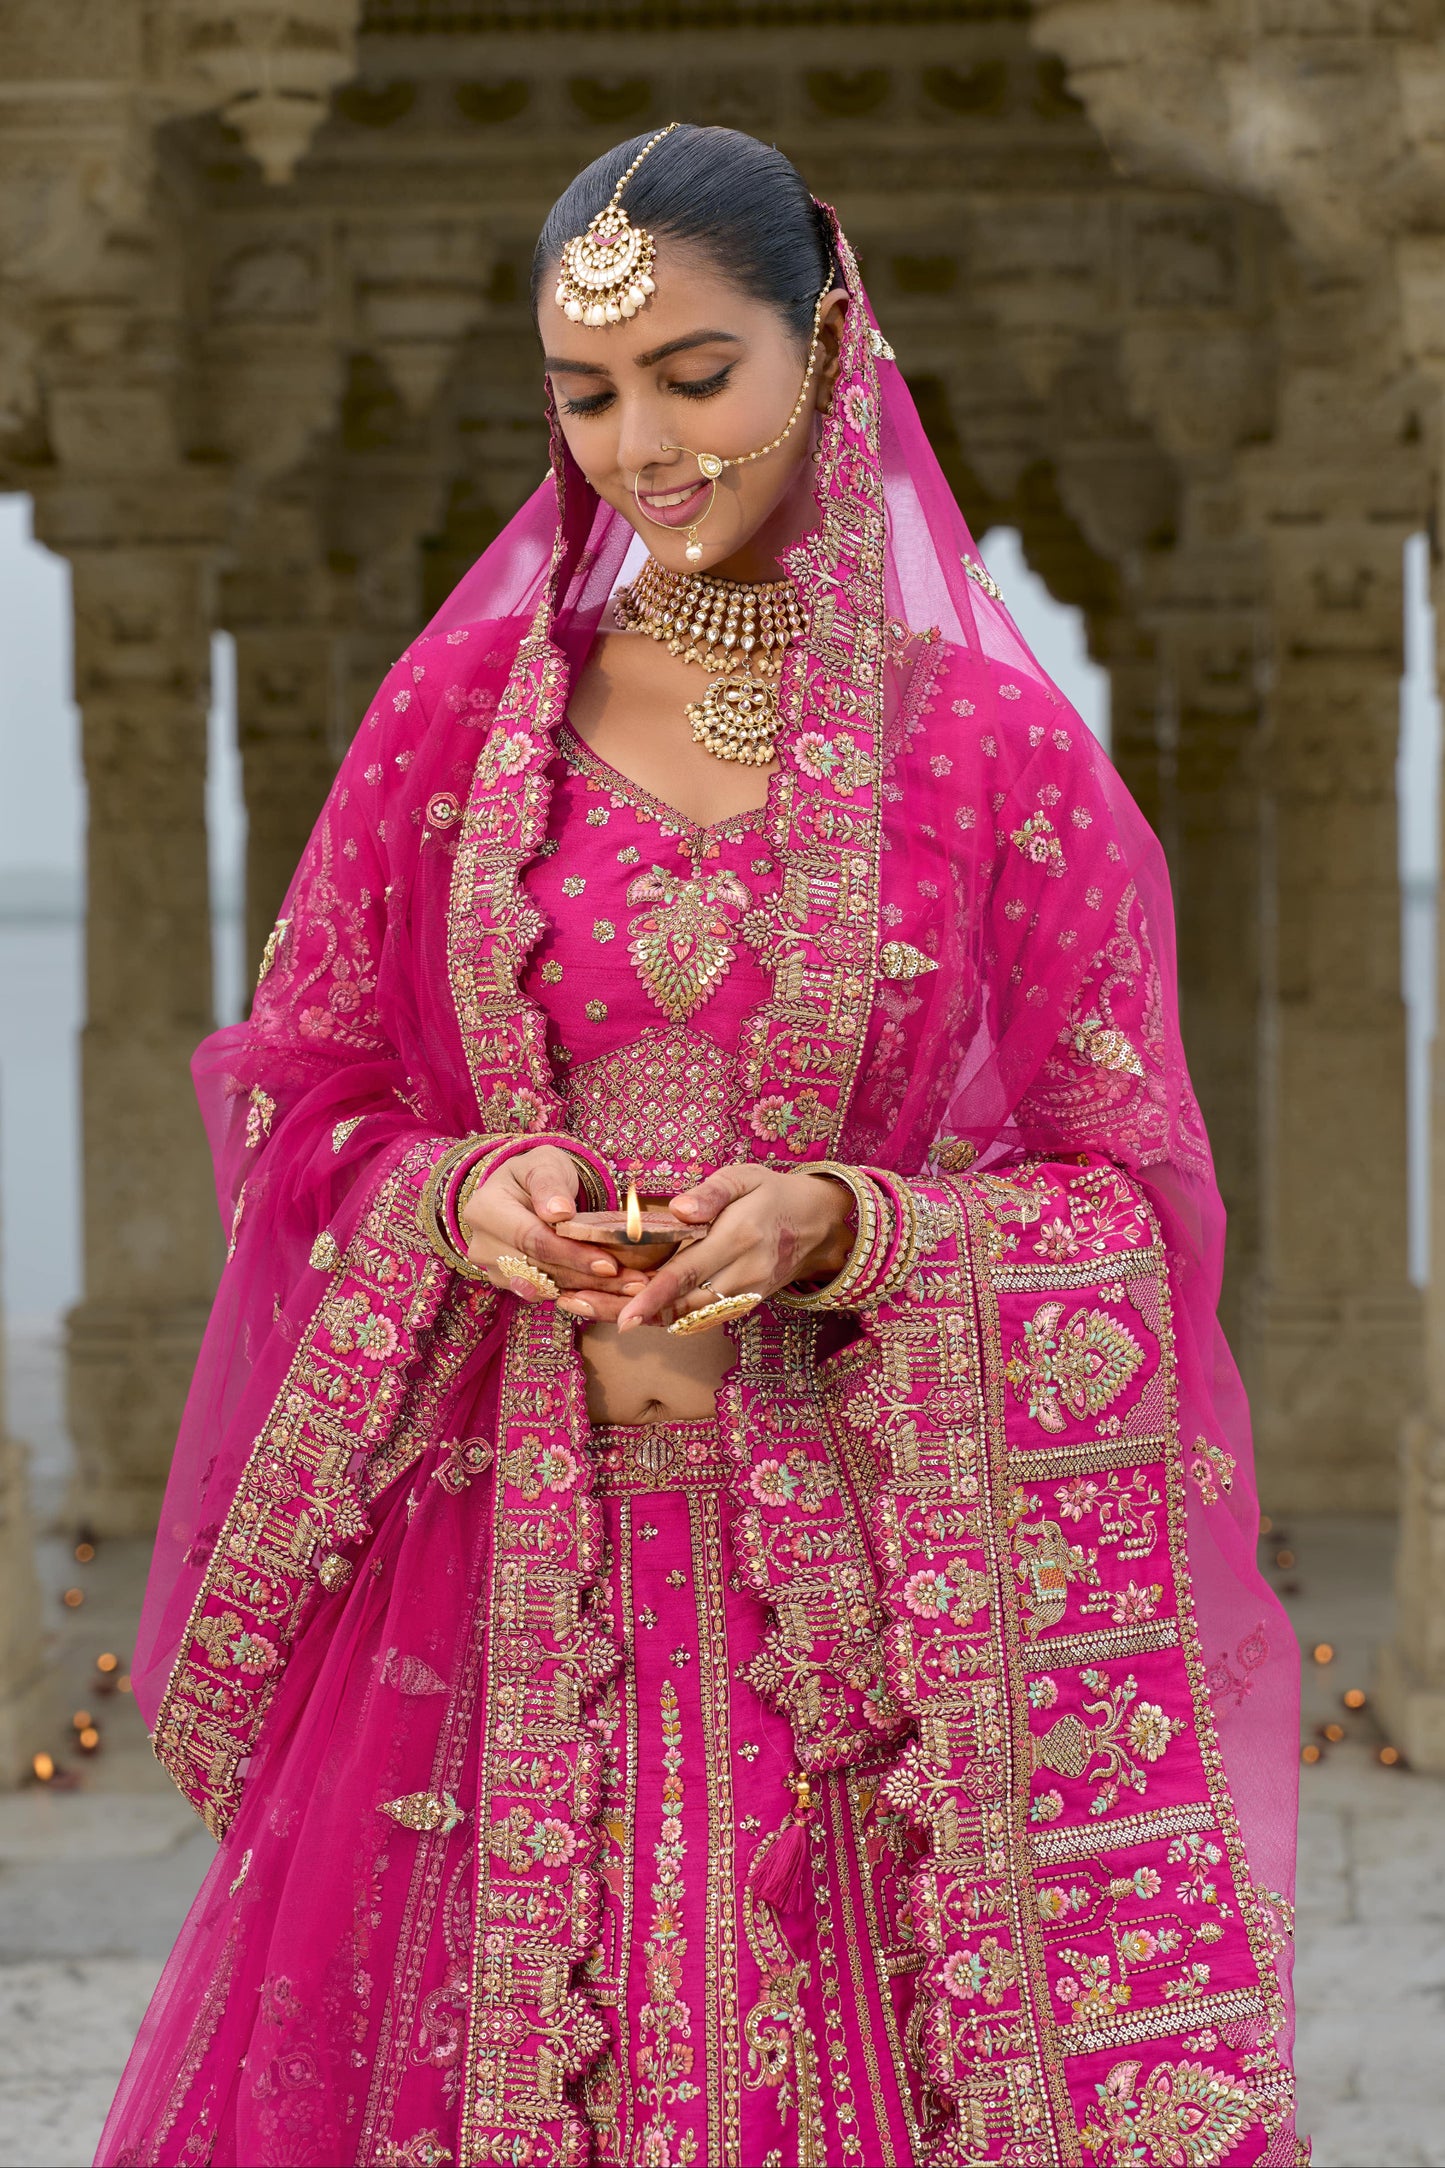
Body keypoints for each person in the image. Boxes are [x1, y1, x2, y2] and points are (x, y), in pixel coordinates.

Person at [97, 123, 1306, 2168]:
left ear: (830, 344)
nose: (642, 443)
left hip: (849, 1610)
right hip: (487, 1587)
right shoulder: (456, 721)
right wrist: (466, 1193)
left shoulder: (990, 754)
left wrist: (853, 1223)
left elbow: (1135, 1199)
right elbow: (300, 1097)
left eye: (694, 373)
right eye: (587, 394)